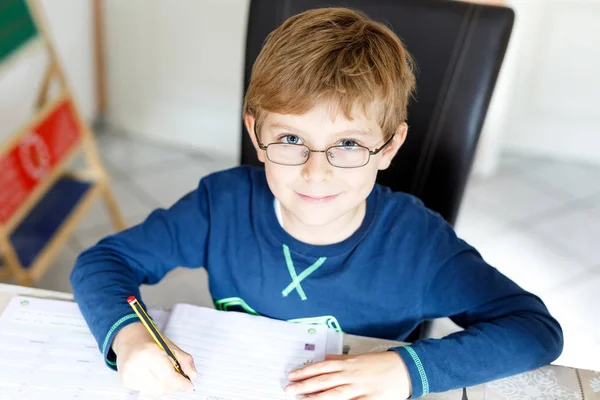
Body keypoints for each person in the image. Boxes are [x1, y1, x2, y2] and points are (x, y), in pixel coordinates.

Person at [70, 7, 563, 399]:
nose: (315, 171)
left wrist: (408, 371)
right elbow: (103, 261)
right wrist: (129, 336)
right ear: (255, 133)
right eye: (290, 138)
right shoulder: (222, 205)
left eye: (348, 144)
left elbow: (535, 330)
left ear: (388, 147)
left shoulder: (419, 246)